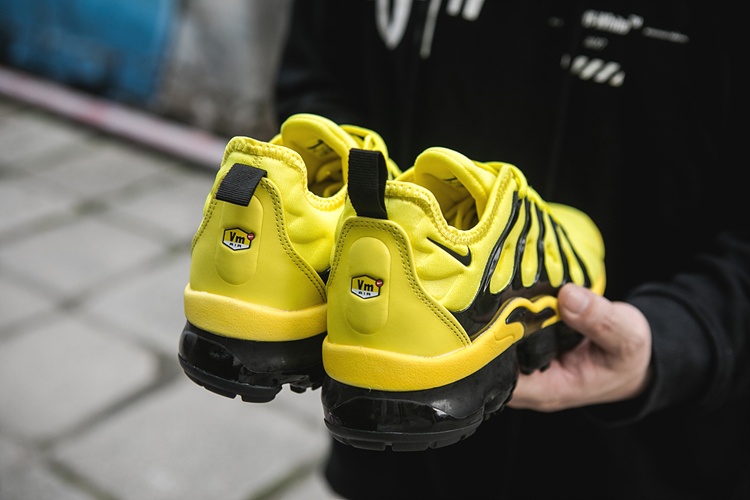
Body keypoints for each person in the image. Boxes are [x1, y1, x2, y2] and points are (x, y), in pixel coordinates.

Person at [274, 2, 749, 498]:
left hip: (651, 450)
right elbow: (314, 84)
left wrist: (679, 336)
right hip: (396, 453)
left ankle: (256, 293)